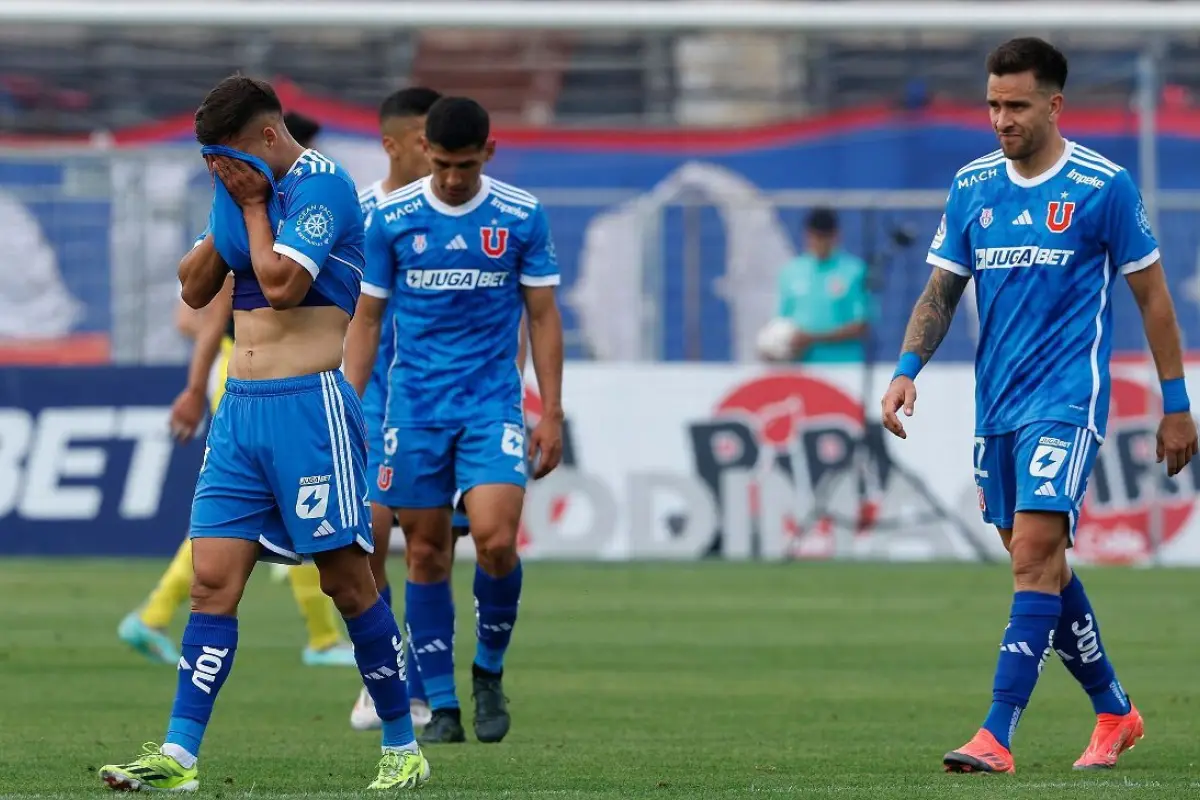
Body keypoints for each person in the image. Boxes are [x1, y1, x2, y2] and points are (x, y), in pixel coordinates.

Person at [98, 75, 429, 791]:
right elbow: (192, 289)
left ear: (270, 138)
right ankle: (179, 756)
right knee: (211, 583)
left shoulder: (325, 187)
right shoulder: (234, 186)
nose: (218, 171)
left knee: (348, 585)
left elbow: (280, 285)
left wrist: (249, 206)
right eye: (210, 163)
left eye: (227, 158)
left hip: (308, 409)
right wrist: (229, 207)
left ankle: (402, 743)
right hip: (239, 410)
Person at [880, 37, 1197, 774]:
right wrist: (905, 368)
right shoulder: (972, 187)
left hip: (1067, 399)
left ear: (1055, 104)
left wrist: (1177, 403)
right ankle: (1116, 711)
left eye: (1016, 105)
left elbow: (1152, 297)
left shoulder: (1102, 185)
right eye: (993, 104)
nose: (1001, 118)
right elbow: (941, 290)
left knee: (1032, 556)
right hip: (997, 404)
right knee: (1041, 567)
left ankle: (996, 733)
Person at [344, 96, 565, 746]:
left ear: (487, 155)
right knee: (425, 552)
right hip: (414, 410)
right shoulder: (392, 219)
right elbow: (367, 318)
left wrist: (548, 410)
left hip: (491, 403)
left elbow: (544, 317)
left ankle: (488, 673)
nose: (450, 177)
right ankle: (440, 705)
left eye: (463, 165)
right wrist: (350, 407)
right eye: (441, 164)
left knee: (496, 539)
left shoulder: (521, 215)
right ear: (427, 154)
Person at [118, 111, 357, 670]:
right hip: (249, 378)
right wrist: (196, 386)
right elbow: (201, 310)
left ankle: (156, 615)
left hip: (278, 377)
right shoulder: (249, 205)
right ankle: (322, 640)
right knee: (255, 531)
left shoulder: (311, 195)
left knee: (245, 533)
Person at [348, 85, 444, 732]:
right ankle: (384, 666)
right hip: (371, 389)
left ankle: (422, 674)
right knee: (369, 535)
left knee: (429, 546)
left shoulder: (452, 213)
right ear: (393, 145)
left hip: (433, 398)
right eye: (423, 142)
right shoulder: (356, 213)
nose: (436, 154)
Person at [763, 207, 869, 363]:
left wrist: (812, 338)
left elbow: (861, 326)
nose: (819, 242)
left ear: (835, 236)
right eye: (815, 236)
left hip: (843, 366)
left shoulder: (854, 271)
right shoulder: (792, 271)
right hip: (802, 367)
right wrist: (775, 346)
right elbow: (782, 322)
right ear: (807, 236)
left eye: (824, 237)